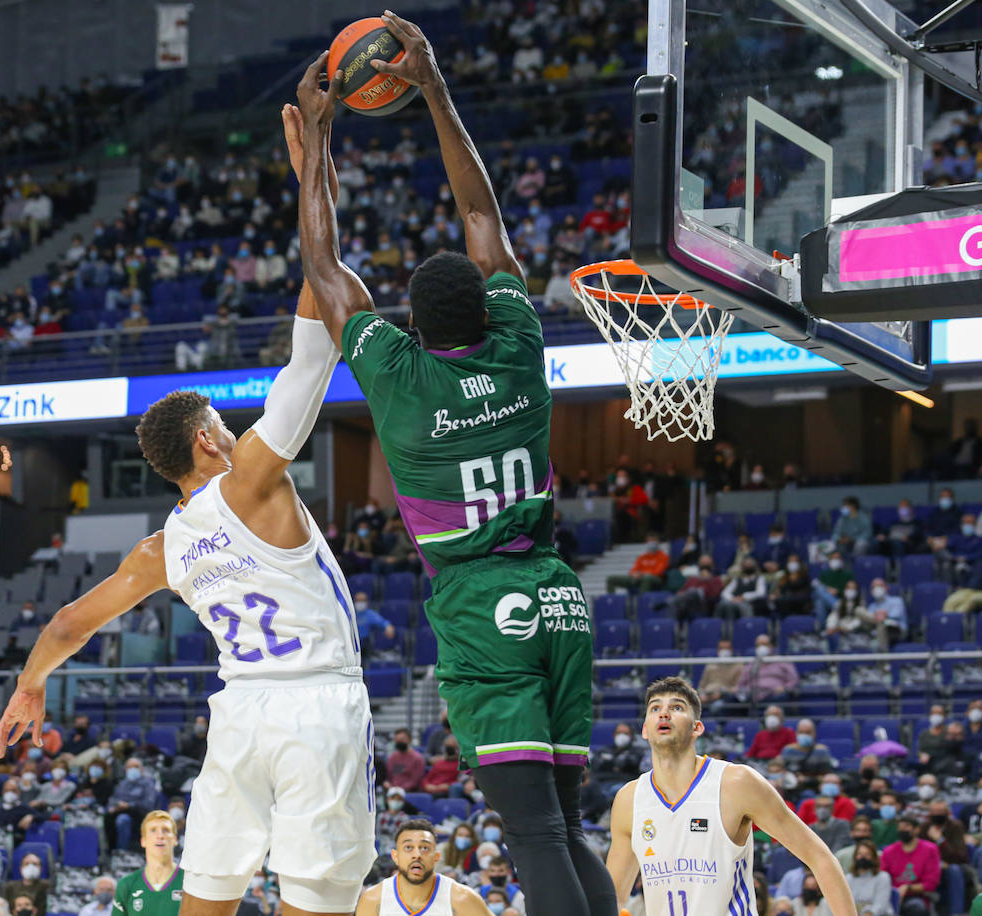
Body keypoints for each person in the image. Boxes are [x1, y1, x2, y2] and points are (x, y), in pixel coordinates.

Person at [0, 117, 373, 916]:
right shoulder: (255, 479)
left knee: (205, 900)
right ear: (209, 441)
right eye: (227, 427)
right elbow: (321, 318)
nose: (237, 433)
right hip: (318, 706)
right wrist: (315, 182)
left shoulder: (161, 549)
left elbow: (68, 624)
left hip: (238, 715)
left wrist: (31, 687)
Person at [292, 19, 612, 916]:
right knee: (566, 827)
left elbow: (324, 264)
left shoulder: (397, 376)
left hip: (483, 606)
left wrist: (317, 137)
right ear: (487, 300)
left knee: (536, 837)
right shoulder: (517, 341)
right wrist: (432, 88)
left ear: (413, 327)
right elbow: (482, 219)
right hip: (555, 592)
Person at [606, 677, 858, 916]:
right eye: (655, 708)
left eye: (677, 707)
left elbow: (820, 857)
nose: (664, 713)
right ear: (645, 730)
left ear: (697, 728)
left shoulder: (736, 783)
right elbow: (612, 897)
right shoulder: (630, 799)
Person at [355, 819, 492, 915]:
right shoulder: (373, 899)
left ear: (436, 857)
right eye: (408, 847)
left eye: (425, 848)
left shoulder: (462, 899)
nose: (417, 855)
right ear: (395, 856)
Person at [114, 810, 184, 915]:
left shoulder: (189, 882)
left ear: (175, 840)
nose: (160, 836)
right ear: (143, 841)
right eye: (153, 830)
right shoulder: (127, 885)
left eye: (166, 830)